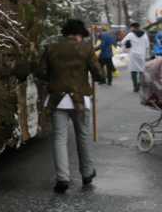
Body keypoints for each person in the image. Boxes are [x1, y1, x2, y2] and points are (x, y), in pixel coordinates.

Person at [39, 19, 104, 194]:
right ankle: (87, 173)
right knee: (82, 136)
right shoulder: (86, 48)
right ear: (79, 35)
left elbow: (42, 72)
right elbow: (98, 73)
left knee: (59, 138)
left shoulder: (51, 48)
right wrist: (100, 77)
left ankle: (62, 178)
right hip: (80, 100)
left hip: (56, 99)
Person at [122, 22, 150, 93]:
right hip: (142, 54)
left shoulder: (130, 34)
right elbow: (147, 45)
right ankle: (140, 84)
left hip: (133, 54)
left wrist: (127, 45)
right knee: (141, 70)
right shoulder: (144, 35)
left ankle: (135, 87)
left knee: (133, 70)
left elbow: (123, 42)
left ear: (133, 27)